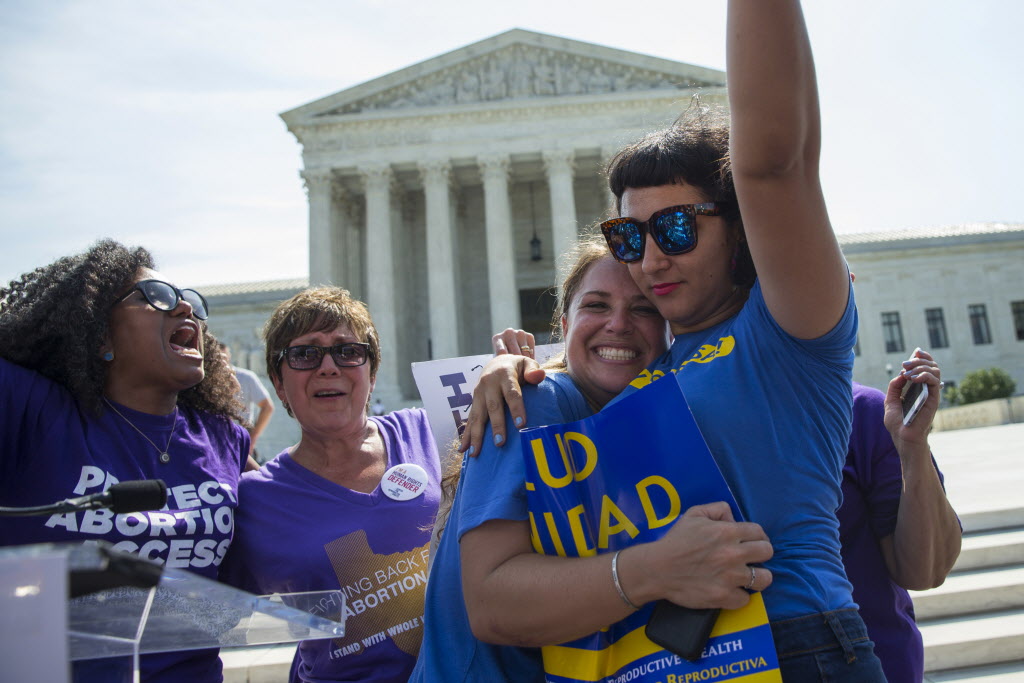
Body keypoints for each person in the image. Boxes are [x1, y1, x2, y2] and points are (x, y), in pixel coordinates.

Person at [459, 1, 885, 677]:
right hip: (670, 658)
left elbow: (778, 165)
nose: (650, 258)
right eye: (629, 236)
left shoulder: (785, 332)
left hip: (794, 640)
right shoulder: (658, 363)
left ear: (739, 228)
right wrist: (513, 366)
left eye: (678, 229)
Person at [411, 237, 773, 682]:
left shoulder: (644, 429)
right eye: (597, 306)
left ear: (669, 333)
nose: (618, 324)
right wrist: (660, 569)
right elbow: (489, 607)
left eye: (644, 309)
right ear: (564, 325)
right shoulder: (534, 402)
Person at [0, 240, 251, 682]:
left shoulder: (224, 437)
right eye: (157, 297)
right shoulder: (32, 413)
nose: (184, 311)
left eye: (190, 302)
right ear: (99, 335)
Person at [220, 286, 441, 683]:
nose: (328, 367)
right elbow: (204, 611)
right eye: (305, 354)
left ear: (371, 372)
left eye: (348, 351)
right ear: (278, 382)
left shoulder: (429, 431)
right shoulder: (256, 500)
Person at [843, 348, 961, 682]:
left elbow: (927, 571)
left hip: (877, 663)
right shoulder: (694, 415)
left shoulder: (863, 411)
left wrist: (911, 446)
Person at [218, 342, 275, 461]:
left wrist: (253, 437)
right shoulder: (207, 381)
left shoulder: (246, 377)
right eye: (218, 357)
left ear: (229, 356)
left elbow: (267, 406)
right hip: (217, 439)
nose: (221, 361)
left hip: (241, 438)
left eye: (224, 357)